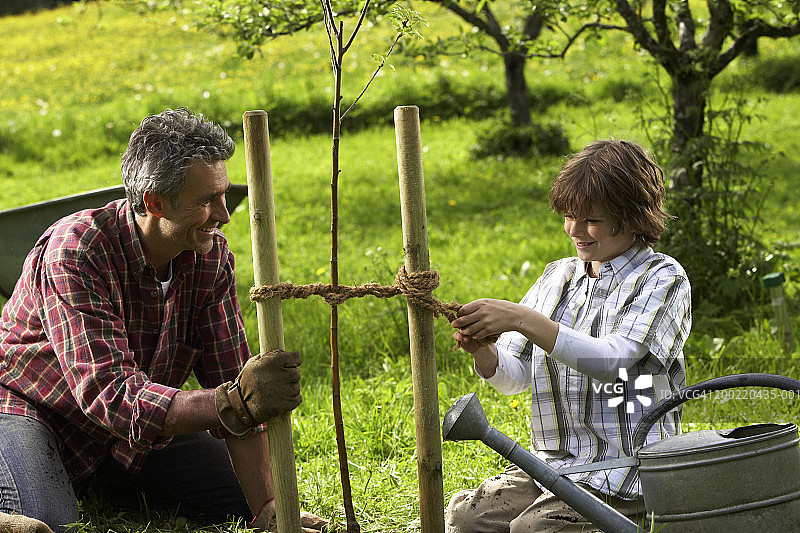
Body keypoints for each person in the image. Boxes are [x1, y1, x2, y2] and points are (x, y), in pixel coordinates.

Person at [0, 109, 326, 533]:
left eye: (223, 194)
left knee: (234, 499)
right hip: (30, 410)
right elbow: (112, 394)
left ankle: (102, 479)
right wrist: (231, 402)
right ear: (153, 202)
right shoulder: (78, 251)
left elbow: (238, 382)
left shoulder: (210, 261)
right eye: (206, 200)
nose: (224, 214)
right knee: (42, 525)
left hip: (124, 436)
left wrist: (267, 508)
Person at [447, 139, 691, 532]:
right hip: (553, 468)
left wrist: (523, 318)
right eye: (569, 216)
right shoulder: (557, 278)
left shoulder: (661, 278)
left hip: (627, 475)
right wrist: (485, 353)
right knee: (467, 517)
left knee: (534, 529)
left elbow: (613, 362)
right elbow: (515, 378)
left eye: (591, 219)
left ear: (632, 217)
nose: (575, 231)